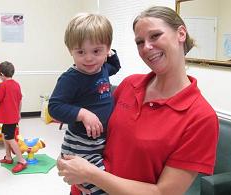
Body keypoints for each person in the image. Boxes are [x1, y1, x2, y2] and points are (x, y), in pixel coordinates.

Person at [57, 6, 219, 195]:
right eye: (140, 42)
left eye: (155, 36)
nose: (147, 47)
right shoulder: (129, 85)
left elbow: (164, 193)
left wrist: (91, 174)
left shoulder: (201, 117)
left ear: (181, 33)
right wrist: (71, 159)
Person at [48, 13, 120, 195]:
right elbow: (54, 107)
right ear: (70, 51)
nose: (88, 58)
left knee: (104, 178)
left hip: (98, 142)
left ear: (106, 49)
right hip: (81, 144)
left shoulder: (102, 67)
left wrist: (111, 55)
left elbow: (116, 66)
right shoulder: (71, 78)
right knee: (103, 186)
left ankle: (82, 187)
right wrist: (83, 114)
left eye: (96, 51)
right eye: (80, 52)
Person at [0, 61, 27, 173]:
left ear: (2, 74)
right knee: (4, 135)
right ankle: (8, 157)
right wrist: (19, 113)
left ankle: (22, 161)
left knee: (10, 138)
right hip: (12, 117)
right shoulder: (16, 84)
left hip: (8, 118)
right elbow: (20, 100)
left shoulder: (2, 85)